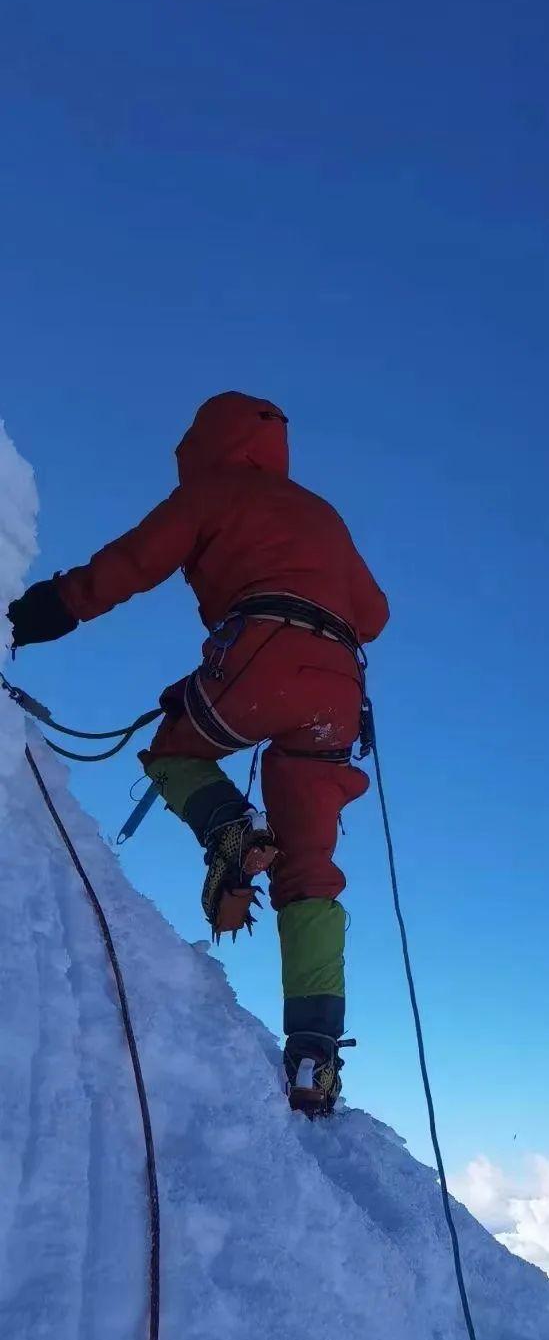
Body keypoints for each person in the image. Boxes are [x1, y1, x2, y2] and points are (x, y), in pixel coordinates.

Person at [6, 391, 389, 1116]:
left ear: (206, 445)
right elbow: (375, 613)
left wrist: (35, 614)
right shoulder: (322, 513)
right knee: (311, 868)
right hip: (336, 692)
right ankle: (314, 1056)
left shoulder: (216, 492)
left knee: (174, 749)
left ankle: (229, 832)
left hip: (260, 652)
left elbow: (130, 564)